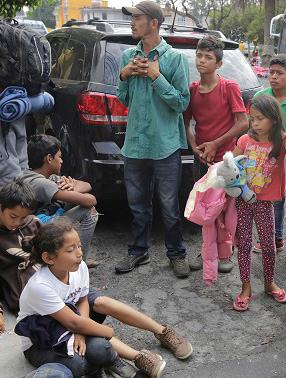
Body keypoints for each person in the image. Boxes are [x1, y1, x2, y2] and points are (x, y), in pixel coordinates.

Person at [17, 219, 193, 378]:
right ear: (48, 258)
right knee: (78, 364)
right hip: (41, 340)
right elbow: (74, 323)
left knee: (100, 344)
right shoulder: (40, 286)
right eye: (71, 250)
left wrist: (81, 331)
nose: (79, 253)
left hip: (69, 324)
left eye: (79, 245)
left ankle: (160, 334)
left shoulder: (79, 267)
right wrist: (106, 332)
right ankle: (109, 362)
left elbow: (82, 300)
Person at [115, 1, 191, 278]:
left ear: (154, 23)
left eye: (137, 18)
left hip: (165, 146)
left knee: (170, 207)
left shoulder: (174, 59)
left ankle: (176, 254)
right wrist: (124, 75)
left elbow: (181, 102)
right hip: (134, 145)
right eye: (132, 18)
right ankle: (138, 251)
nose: (132, 22)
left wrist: (157, 78)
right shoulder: (128, 56)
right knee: (137, 205)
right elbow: (123, 99)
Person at [184, 35, 248, 273]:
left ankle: (226, 252)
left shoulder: (228, 87)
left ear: (218, 63)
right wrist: (194, 146)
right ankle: (207, 251)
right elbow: (186, 121)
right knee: (205, 207)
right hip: (202, 157)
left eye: (208, 57)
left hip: (226, 160)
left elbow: (243, 122)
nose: (202, 61)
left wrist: (215, 143)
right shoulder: (192, 89)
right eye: (199, 56)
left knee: (226, 208)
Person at [231, 95, 286, 311]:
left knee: (269, 245)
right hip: (243, 201)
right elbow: (230, 165)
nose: (254, 123)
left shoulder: (282, 141)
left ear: (274, 119)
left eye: (260, 118)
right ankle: (245, 287)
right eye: (252, 119)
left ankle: (269, 283)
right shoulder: (245, 141)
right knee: (244, 244)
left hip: (265, 203)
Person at [18, 135, 99, 268]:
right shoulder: (40, 183)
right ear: (49, 158)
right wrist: (73, 190)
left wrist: (73, 187)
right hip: (33, 231)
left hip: (39, 221)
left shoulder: (35, 174)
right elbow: (91, 200)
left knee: (71, 201)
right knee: (89, 211)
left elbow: (87, 185)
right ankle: (77, 263)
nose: (61, 161)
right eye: (59, 157)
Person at [252, 54, 286, 255]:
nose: (274, 77)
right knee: (271, 200)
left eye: (279, 73)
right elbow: (252, 127)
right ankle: (273, 238)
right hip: (267, 159)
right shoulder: (261, 98)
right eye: (271, 72)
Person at [0, 180, 39, 332]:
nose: (17, 222)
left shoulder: (32, 223)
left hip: (51, 286)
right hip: (23, 299)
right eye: (13, 216)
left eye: (22, 218)